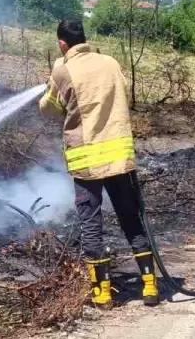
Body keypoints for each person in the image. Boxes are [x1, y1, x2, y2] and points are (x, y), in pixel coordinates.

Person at [38, 19, 158, 307]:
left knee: (91, 224)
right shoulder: (110, 62)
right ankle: (150, 287)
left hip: (88, 161)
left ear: (62, 43)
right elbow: (120, 90)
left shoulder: (62, 69)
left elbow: (50, 108)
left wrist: (50, 87)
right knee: (132, 218)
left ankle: (102, 293)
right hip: (119, 159)